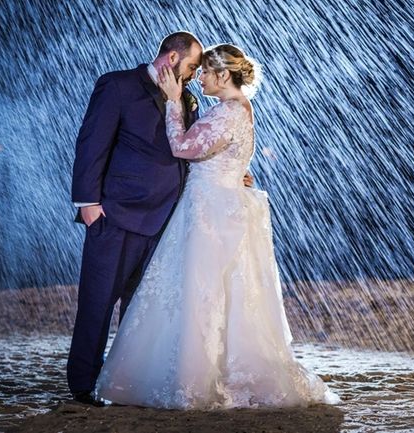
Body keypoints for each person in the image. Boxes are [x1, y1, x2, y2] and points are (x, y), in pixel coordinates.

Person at [95, 44, 339, 409]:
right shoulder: (236, 109)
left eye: (205, 72)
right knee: (219, 294)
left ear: (223, 75)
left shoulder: (226, 112)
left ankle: (195, 378)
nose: (198, 78)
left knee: (201, 292)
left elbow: (181, 148)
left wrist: (176, 102)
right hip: (217, 206)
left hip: (210, 213)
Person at [67, 31, 255, 406]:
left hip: (168, 221)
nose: (194, 75)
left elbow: (188, 149)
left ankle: (123, 379)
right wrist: (88, 203)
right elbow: (92, 143)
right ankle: (84, 383)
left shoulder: (182, 97)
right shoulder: (118, 85)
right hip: (117, 215)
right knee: (98, 300)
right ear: (172, 58)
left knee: (140, 309)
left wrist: (230, 172)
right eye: (191, 67)